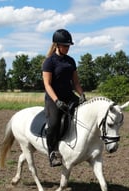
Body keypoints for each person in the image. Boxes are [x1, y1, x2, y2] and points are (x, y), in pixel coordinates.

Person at [42, 29, 86, 167]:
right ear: (57, 45)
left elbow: (76, 83)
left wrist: (82, 94)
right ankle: (52, 153)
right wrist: (56, 100)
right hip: (53, 98)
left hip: (69, 96)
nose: (67, 48)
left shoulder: (71, 61)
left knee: (84, 115)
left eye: (69, 46)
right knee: (54, 123)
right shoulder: (49, 62)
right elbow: (47, 85)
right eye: (65, 46)